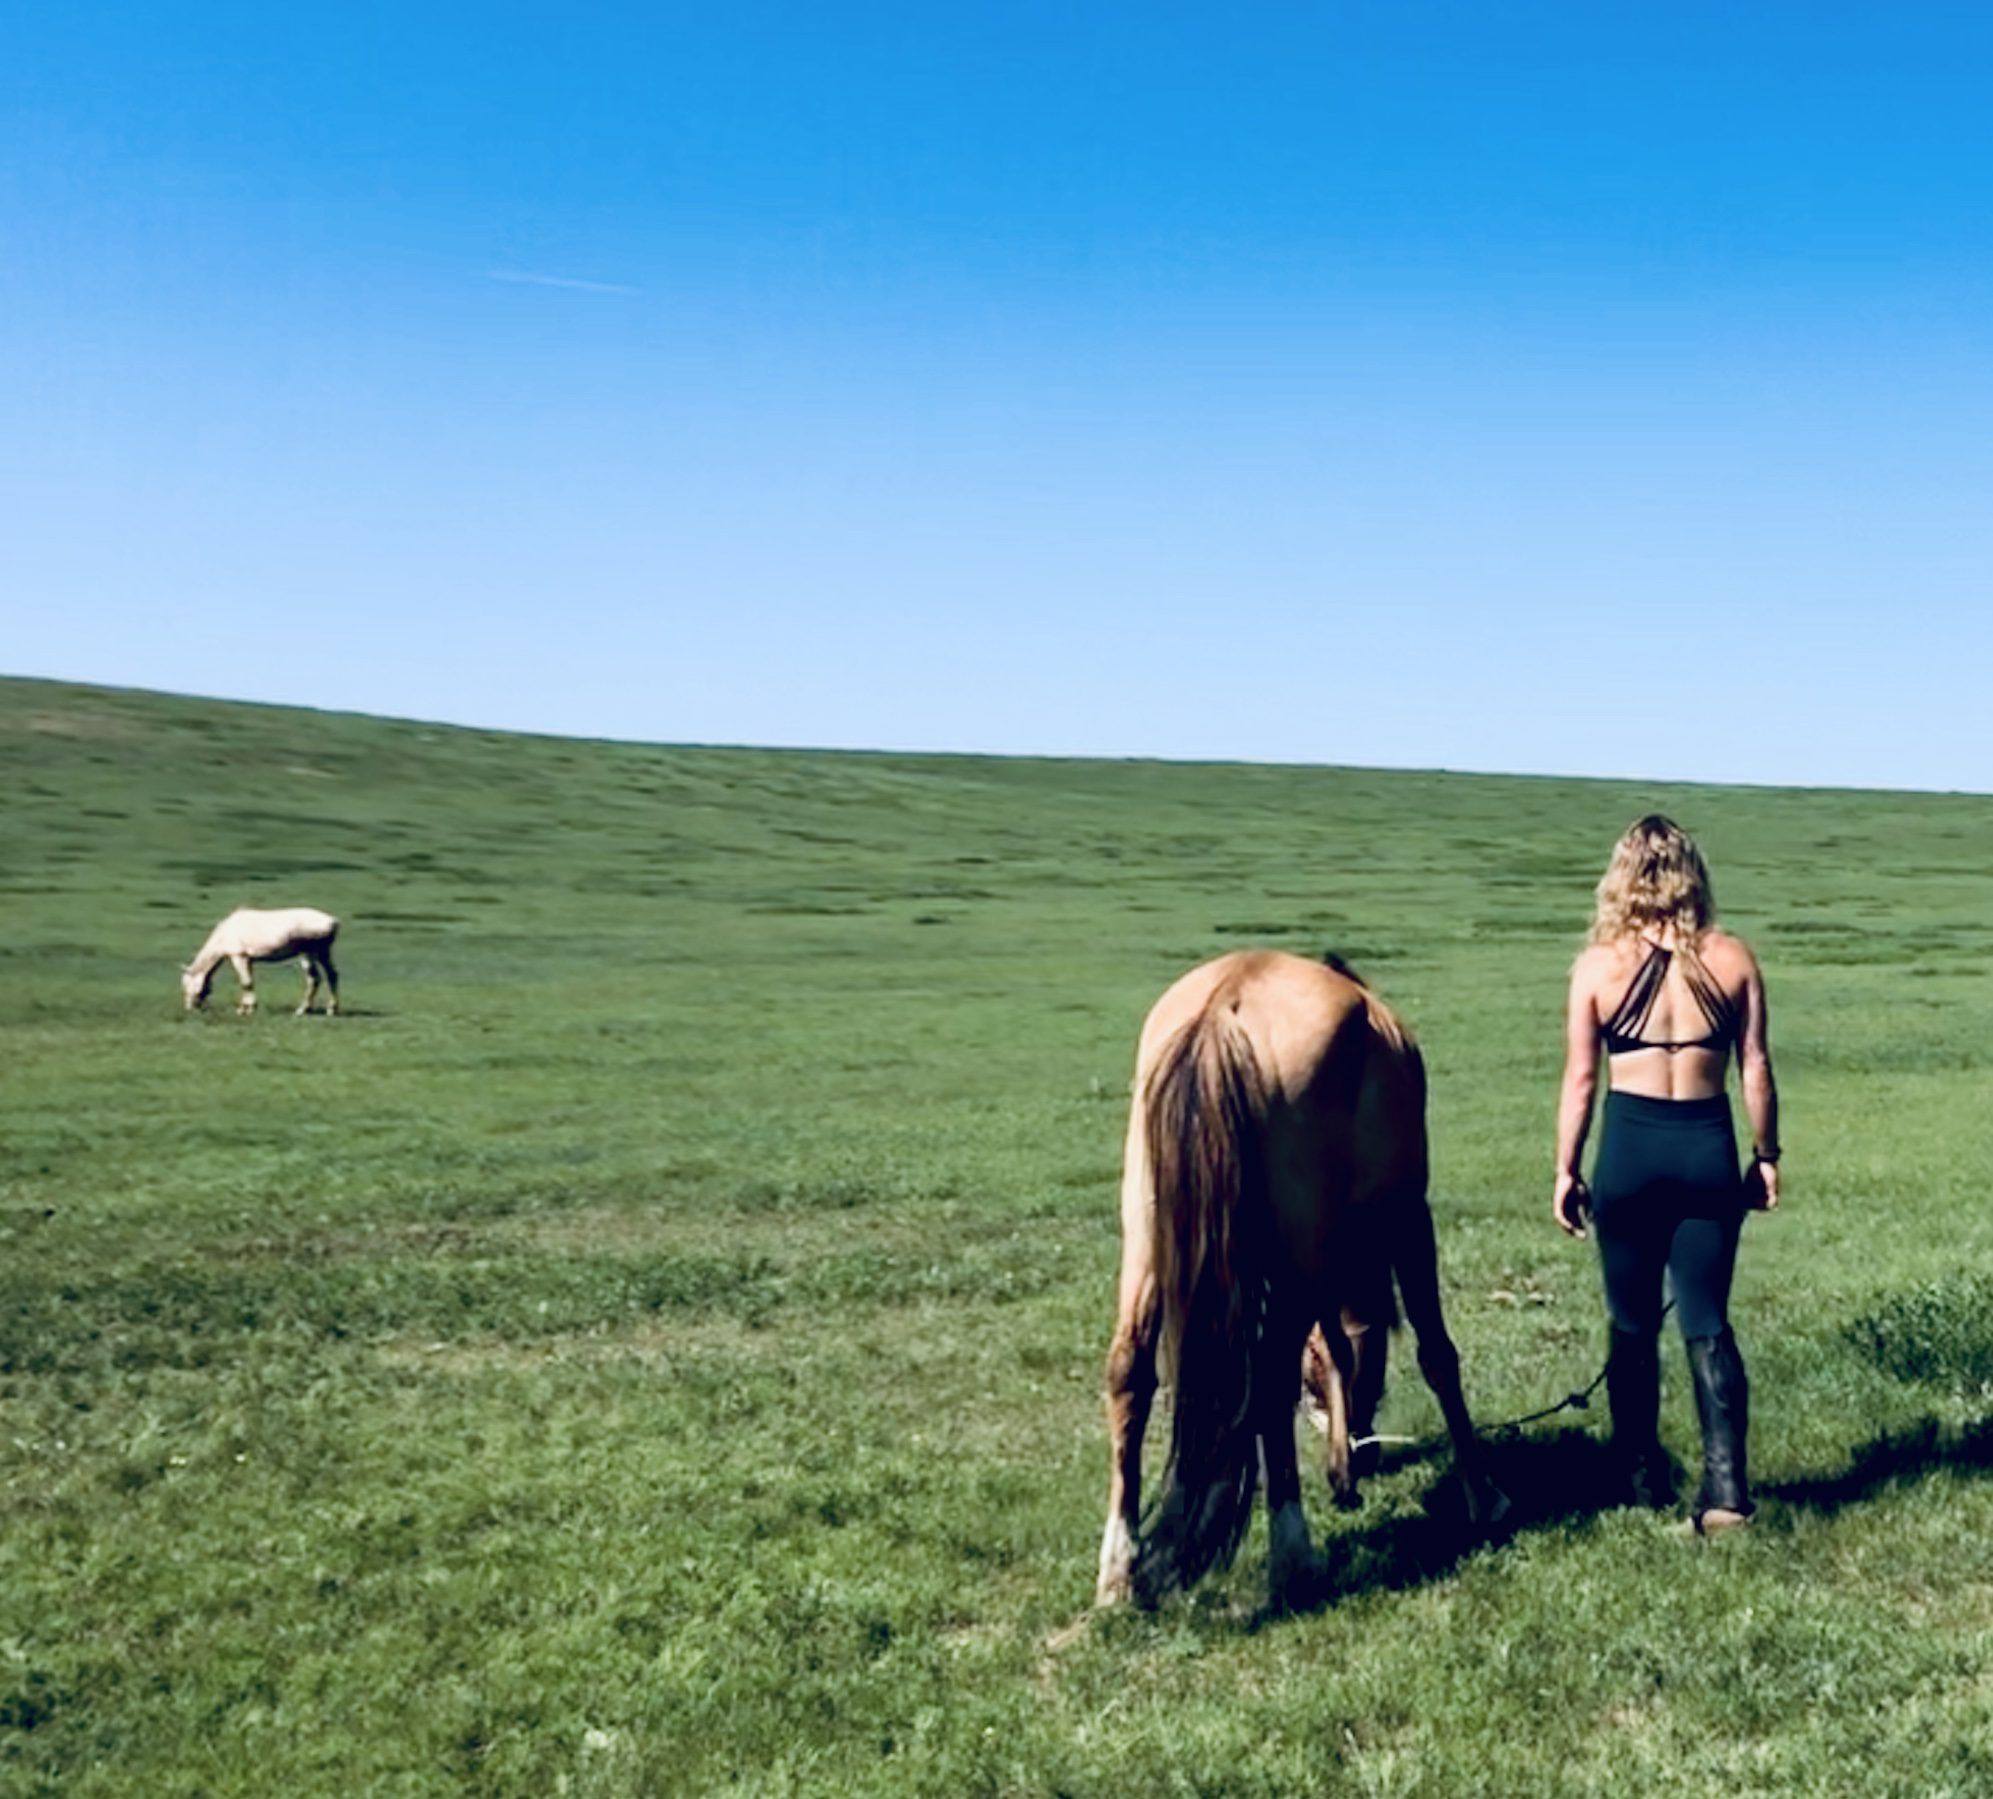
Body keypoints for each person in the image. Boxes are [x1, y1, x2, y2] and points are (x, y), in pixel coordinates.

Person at [1552, 815, 1781, 1533]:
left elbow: (1581, 1080)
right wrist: (1765, 1154)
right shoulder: (1734, 958)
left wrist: (1564, 1167)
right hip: (1705, 1150)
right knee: (1707, 1321)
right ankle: (1724, 1493)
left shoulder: (1597, 966)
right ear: (1692, 873)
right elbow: (1754, 1066)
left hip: (1629, 1153)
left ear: (1622, 877)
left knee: (1629, 1322)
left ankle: (1636, 1475)